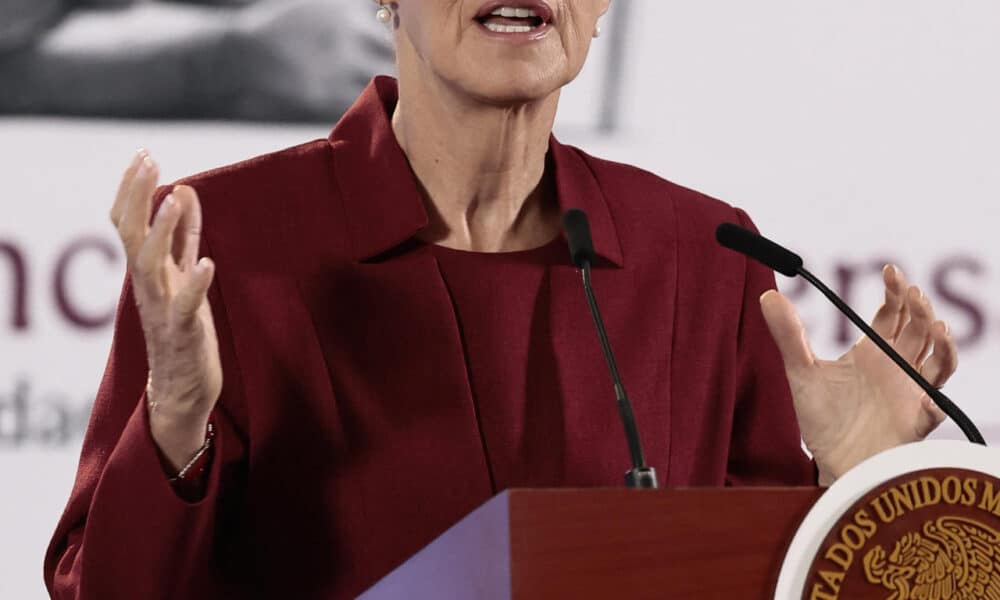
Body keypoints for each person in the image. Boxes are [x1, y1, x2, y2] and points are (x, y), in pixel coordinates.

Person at [44, 1, 959, 598]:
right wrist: (174, 418)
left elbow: (761, 581)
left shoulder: (704, 254)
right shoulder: (229, 238)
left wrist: (846, 486)